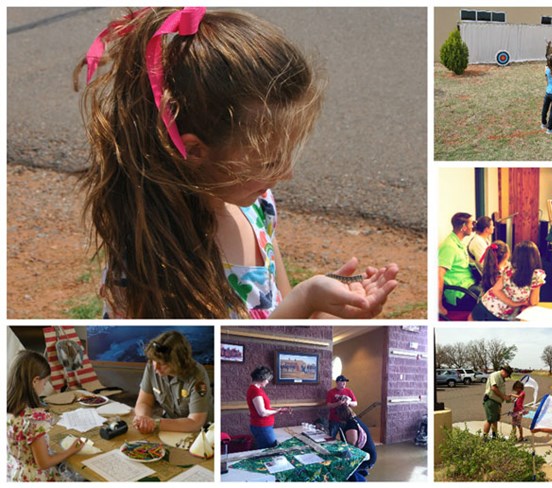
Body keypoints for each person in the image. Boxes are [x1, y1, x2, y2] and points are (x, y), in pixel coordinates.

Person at [74, 7, 399, 319]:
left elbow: (281, 311)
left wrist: (321, 309)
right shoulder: (151, 262)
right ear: (194, 150)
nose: (287, 173)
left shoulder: (258, 207)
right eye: (269, 161)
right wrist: (305, 298)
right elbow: (238, 343)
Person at [7, 351, 87, 481]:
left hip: (14, 473)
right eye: (44, 383)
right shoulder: (34, 420)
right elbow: (44, 463)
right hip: (35, 478)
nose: (44, 388)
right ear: (35, 381)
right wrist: (70, 451)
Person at [133, 331, 213, 434]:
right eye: (154, 360)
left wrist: (156, 423)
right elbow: (144, 402)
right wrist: (143, 418)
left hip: (202, 432)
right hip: (168, 426)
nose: (156, 367)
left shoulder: (197, 376)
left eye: (162, 363)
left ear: (177, 362)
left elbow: (195, 422)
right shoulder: (151, 367)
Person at [471, 241, 545, 321]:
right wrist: (516, 303)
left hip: (485, 304)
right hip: (500, 315)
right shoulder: (536, 275)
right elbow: (533, 302)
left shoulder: (509, 269)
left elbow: (495, 290)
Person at [439, 212, 481, 316]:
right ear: (464, 227)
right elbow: (438, 275)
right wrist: (438, 306)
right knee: (488, 300)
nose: (473, 226)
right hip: (460, 293)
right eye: (472, 223)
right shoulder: (449, 247)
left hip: (469, 284)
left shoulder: (459, 243)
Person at [246, 366, 289, 448]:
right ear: (262, 378)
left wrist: (277, 410)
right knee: (270, 449)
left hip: (262, 426)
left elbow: (262, 409)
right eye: (267, 380)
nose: (268, 382)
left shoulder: (255, 389)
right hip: (262, 427)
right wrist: (276, 411)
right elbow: (262, 412)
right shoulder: (255, 391)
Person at [336, 405, 376, 481]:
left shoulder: (351, 425)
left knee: (343, 468)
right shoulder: (355, 420)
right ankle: (361, 473)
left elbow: (352, 445)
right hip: (367, 453)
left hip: (367, 457)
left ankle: (359, 478)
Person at [482, 365, 513, 440]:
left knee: (495, 419)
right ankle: (484, 438)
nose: (507, 377)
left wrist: (506, 397)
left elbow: (499, 390)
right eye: (507, 375)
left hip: (496, 402)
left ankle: (495, 436)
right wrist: (504, 397)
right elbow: (494, 388)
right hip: (491, 401)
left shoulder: (501, 378)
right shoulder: (495, 375)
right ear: (504, 371)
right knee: (490, 420)